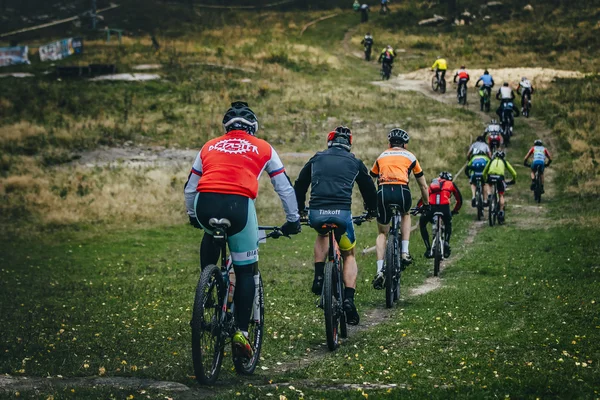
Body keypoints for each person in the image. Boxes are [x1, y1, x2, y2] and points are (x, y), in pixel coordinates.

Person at [184, 101, 301, 359]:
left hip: (205, 204)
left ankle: (208, 285)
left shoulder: (208, 146)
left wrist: (193, 216)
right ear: (253, 128)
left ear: (226, 128)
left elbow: (190, 187)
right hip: (238, 205)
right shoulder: (263, 147)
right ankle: (241, 332)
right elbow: (284, 187)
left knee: (209, 232)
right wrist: (293, 220)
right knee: (246, 271)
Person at [294, 126, 377, 325]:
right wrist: (372, 210)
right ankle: (348, 298)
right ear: (349, 144)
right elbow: (368, 188)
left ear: (329, 142)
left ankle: (319, 277)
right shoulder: (355, 161)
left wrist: (300, 209)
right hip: (341, 216)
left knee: (322, 234)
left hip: (317, 214)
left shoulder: (316, 158)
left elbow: (300, 184)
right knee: (349, 254)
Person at [370, 128, 430, 289]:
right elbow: (423, 185)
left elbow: (370, 180)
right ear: (405, 144)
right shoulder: (410, 156)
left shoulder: (381, 156)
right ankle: (404, 252)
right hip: (402, 191)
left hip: (382, 192)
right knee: (406, 213)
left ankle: (379, 271)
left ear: (389, 143)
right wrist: (426, 204)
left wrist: (370, 203)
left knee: (382, 232)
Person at [418, 172, 462, 258]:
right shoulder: (451, 184)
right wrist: (455, 210)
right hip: (444, 208)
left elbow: (424, 197)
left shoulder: (433, 184)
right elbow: (459, 200)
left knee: (422, 224)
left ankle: (428, 248)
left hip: (431, 208)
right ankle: (446, 242)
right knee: (448, 223)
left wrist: (418, 207)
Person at [482, 150, 517, 224]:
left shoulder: (491, 161)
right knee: (501, 194)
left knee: (487, 184)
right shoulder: (504, 162)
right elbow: (514, 173)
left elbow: (484, 172)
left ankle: (489, 195)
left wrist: (485, 179)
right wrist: (513, 180)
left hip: (490, 176)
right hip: (500, 177)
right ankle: (501, 211)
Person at [465, 136, 491, 207]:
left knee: (473, 183)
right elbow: (490, 155)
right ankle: (485, 200)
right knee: (484, 183)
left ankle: (473, 196)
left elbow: (468, 154)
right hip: (483, 169)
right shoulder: (485, 146)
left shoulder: (473, 146)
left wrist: (469, 160)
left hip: (474, 166)